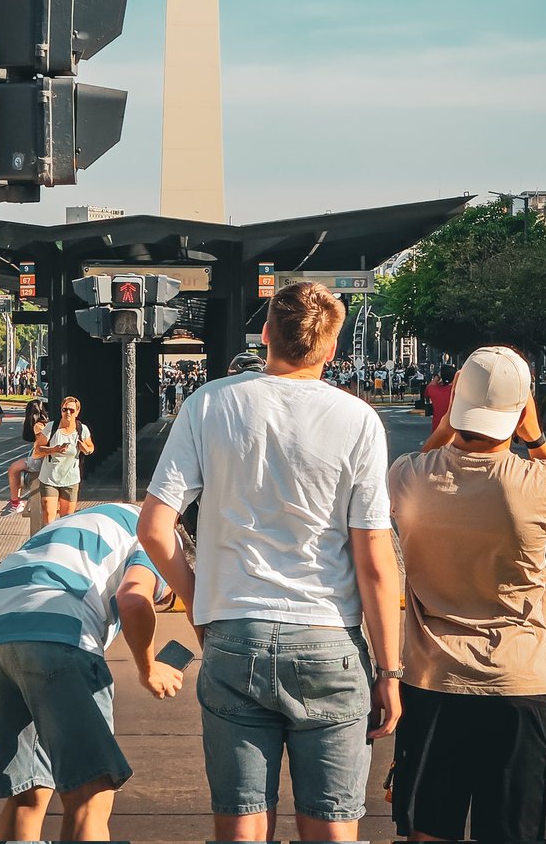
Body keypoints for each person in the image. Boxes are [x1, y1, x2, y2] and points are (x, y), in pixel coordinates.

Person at [138, 280, 402, 844]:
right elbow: (375, 560)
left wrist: (201, 607)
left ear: (265, 337)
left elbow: (155, 529)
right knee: (331, 827)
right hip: (329, 637)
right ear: (331, 348)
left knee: (241, 825)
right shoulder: (358, 421)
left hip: (235, 633)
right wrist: (390, 671)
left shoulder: (209, 403)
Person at [388, 345, 546, 844]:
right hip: (518, 686)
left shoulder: (409, 477)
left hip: (432, 680)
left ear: (457, 402)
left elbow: (426, 452)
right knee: (514, 834)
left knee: (428, 830)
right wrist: (538, 439)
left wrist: (447, 425)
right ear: (522, 407)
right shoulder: (538, 483)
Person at [0, 502, 185, 843]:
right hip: (58, 635)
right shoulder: (158, 537)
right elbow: (134, 600)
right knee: (91, 794)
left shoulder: (86, 521)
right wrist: (149, 669)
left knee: (29, 793)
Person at [26, 395, 93, 526]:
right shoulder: (51, 427)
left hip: (70, 479)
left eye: (71, 410)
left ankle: (63, 544)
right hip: (50, 478)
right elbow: (36, 451)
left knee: (67, 520)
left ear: (77, 412)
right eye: (65, 409)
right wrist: (53, 450)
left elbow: (90, 447)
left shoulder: (81, 429)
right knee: (49, 516)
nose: (68, 412)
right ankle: (48, 542)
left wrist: (85, 448)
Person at [0, 398, 50, 515]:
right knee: (16, 469)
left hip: (37, 460)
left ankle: (15, 502)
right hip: (41, 459)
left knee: (13, 469)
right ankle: (15, 500)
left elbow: (43, 442)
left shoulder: (38, 426)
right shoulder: (46, 423)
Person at [424, 362, 456, 430]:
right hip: (455, 431)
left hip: (437, 430)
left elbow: (428, 388)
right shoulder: (458, 391)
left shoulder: (433, 390)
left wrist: (437, 376)